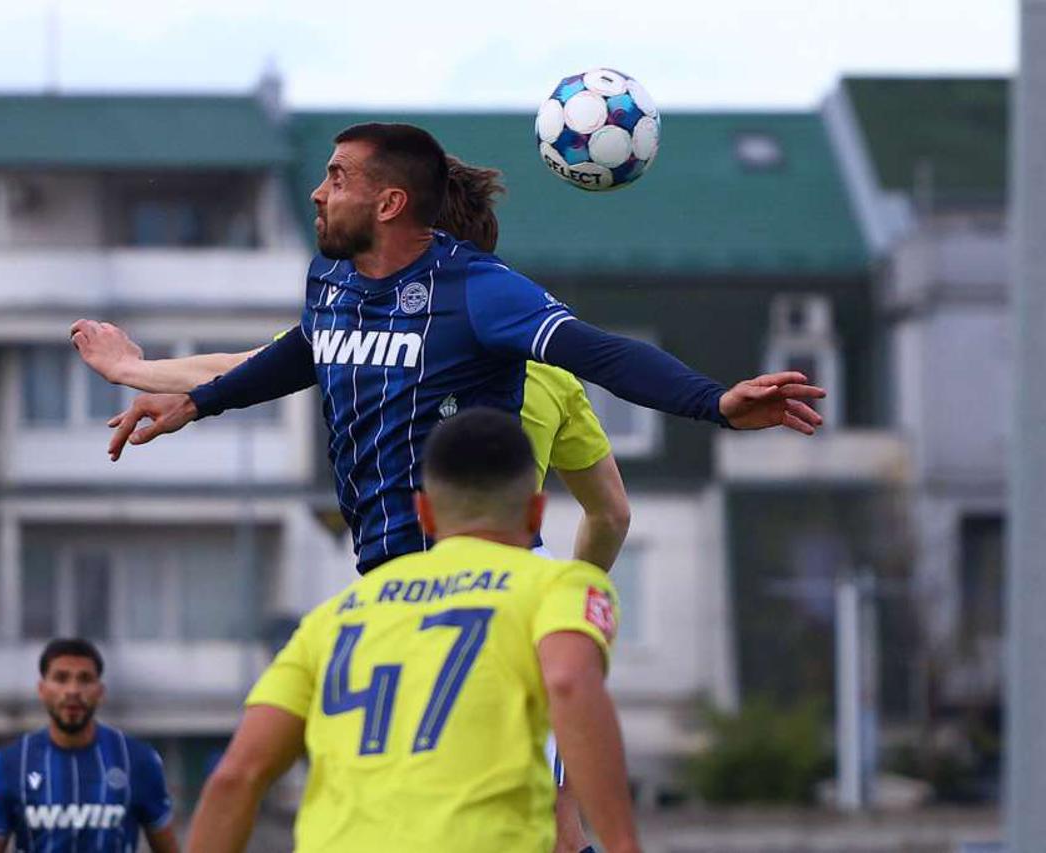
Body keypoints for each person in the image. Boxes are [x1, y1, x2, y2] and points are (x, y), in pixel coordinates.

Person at [72, 155, 626, 852]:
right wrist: (568, 597)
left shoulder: (370, 343)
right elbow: (611, 514)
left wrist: (134, 369)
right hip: (506, 597)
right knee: (544, 816)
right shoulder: (545, 367)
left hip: (391, 600)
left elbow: (252, 364)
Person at [93, 122, 824, 577]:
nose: (317, 193)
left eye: (336, 178)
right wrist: (195, 401)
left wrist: (713, 403)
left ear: (389, 203)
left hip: (481, 574)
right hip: (384, 573)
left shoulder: (478, 289)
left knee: (507, 784)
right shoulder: (331, 281)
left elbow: (597, 352)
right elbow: (300, 354)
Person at [184, 408, 642, 853]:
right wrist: (623, 843)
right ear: (536, 512)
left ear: (424, 512)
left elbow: (237, 776)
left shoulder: (337, 615)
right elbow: (568, 682)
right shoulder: (560, 588)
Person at [0, 638, 179, 853]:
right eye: (61, 678)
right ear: (42, 689)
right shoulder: (9, 764)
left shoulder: (139, 761)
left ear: (100, 691)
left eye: (85, 679)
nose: (73, 690)